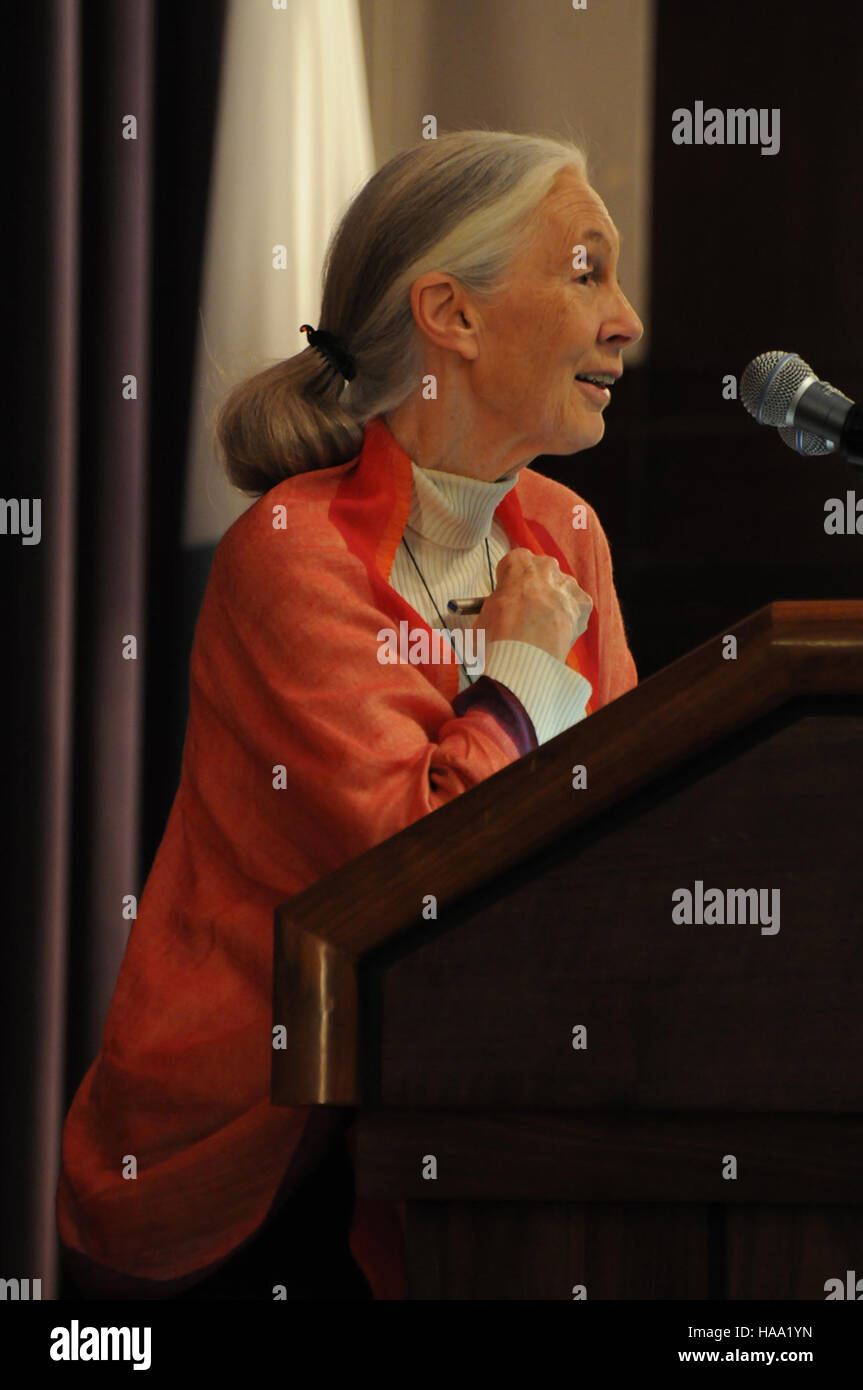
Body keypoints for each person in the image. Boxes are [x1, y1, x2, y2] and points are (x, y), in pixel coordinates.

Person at [56, 128, 644, 1300]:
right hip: (272, 1167)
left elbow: (625, 834)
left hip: (495, 1122)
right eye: (585, 270)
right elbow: (403, 880)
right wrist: (521, 678)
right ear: (451, 315)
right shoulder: (290, 552)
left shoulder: (568, 533)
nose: (624, 319)